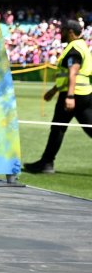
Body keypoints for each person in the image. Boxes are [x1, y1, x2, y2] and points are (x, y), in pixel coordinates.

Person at [23, 20, 92, 173]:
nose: (60, 33)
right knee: (88, 128)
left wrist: (70, 96)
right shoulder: (82, 46)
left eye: (63, 30)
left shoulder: (74, 49)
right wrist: (54, 90)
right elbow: (68, 75)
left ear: (70, 32)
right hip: (84, 95)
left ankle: (46, 163)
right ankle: (46, 162)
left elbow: (73, 72)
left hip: (73, 95)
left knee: (58, 128)